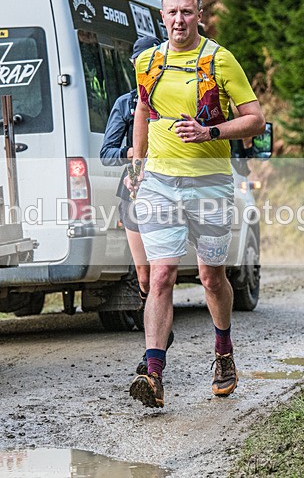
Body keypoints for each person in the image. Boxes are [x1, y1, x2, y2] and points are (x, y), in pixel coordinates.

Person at [127, 0, 265, 408]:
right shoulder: (148, 62)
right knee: (161, 276)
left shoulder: (219, 60)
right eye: (172, 12)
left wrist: (210, 131)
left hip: (210, 182)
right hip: (160, 184)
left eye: (187, 12)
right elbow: (143, 111)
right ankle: (153, 375)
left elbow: (256, 120)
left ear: (199, 15)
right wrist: (136, 162)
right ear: (162, 17)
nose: (179, 20)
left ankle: (223, 352)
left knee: (211, 277)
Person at [99, 35, 174, 375]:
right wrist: (132, 154)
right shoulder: (125, 103)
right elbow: (106, 152)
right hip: (132, 195)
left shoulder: (173, 99)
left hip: (170, 193)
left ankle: (151, 355)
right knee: (144, 278)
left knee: (161, 275)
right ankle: (161, 331)